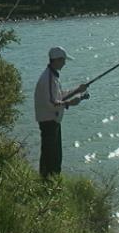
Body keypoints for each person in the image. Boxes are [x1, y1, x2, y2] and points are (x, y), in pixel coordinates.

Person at [34, 46, 88, 178]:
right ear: (56, 60)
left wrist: (78, 90)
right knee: (51, 157)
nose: (64, 63)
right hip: (49, 121)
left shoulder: (52, 76)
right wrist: (70, 103)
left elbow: (59, 96)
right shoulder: (48, 78)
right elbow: (52, 103)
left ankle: (49, 180)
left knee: (53, 155)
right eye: (63, 60)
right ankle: (48, 182)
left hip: (52, 121)